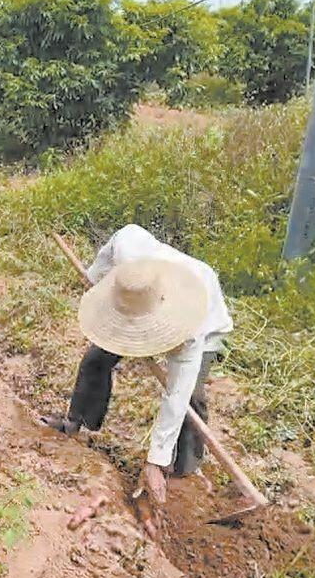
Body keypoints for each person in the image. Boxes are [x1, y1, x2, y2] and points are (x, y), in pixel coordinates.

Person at [48, 224, 232, 529]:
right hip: (133, 304)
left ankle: (184, 470)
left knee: (192, 398)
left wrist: (154, 460)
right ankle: (76, 420)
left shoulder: (190, 321)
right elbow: (107, 257)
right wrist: (96, 280)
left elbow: (176, 395)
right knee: (97, 358)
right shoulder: (129, 246)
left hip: (207, 323)